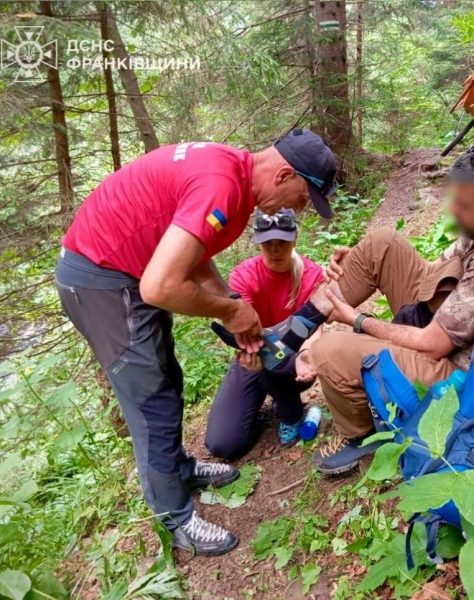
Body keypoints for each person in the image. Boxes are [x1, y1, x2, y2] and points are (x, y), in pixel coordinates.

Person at [54, 129, 336, 555]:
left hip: (123, 272)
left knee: (166, 376)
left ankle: (180, 469)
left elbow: (193, 255)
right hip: (102, 279)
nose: (300, 210)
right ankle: (176, 518)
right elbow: (161, 285)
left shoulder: (232, 175)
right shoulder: (222, 187)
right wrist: (229, 310)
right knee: (150, 399)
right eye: (302, 198)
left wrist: (231, 303)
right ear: (283, 174)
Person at [304, 140, 474, 474]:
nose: (452, 209)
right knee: (383, 243)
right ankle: (301, 325)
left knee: (331, 350)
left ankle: (360, 435)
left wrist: (357, 320)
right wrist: (359, 258)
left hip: (465, 373)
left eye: (463, 204)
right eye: (454, 198)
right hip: (460, 328)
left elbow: (434, 343)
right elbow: (436, 269)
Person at [205, 209, 324, 458]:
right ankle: (260, 396)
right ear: (257, 242)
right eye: (267, 243)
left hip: (293, 358)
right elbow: (241, 328)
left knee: (280, 363)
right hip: (256, 355)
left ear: (295, 238)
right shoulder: (244, 275)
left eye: (282, 241)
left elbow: (317, 326)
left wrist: (306, 353)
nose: (275, 250)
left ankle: (290, 412)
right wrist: (246, 350)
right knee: (222, 444)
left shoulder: (312, 275)